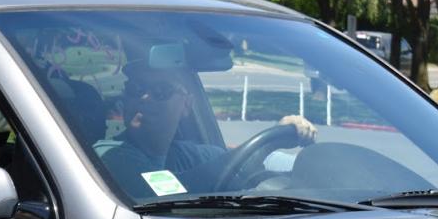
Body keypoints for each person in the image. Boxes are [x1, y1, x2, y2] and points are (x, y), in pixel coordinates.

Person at [100, 70, 316, 196]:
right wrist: (269, 143)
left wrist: (313, 162)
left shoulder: (189, 155)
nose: (145, 98)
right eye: (135, 89)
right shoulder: (109, 157)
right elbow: (172, 190)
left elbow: (258, 161)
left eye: (160, 91)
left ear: (186, 105)